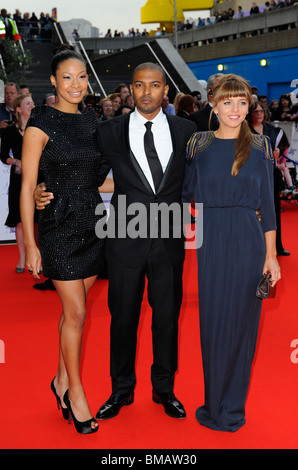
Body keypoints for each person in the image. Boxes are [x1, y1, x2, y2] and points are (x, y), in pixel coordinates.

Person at [34, 62, 197, 421]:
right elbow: (83, 172)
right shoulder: (109, 131)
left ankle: (164, 389)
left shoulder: (187, 129)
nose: (147, 93)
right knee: (122, 317)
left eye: (154, 85)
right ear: (132, 89)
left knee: (166, 318)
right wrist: (40, 189)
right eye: (139, 86)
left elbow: (202, 176)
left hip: (169, 234)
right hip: (124, 236)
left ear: (165, 90)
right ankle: (121, 390)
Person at [20, 44, 113, 435]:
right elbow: (27, 187)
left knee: (73, 313)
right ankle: (76, 393)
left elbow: (101, 178)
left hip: (92, 224)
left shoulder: (94, 122)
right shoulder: (40, 121)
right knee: (75, 313)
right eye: (67, 77)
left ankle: (59, 381)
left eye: (81, 77)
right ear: (54, 81)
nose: (75, 84)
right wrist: (32, 243)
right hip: (58, 225)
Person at [182, 74, 280, 432]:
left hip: (248, 241)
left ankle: (231, 409)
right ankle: (213, 402)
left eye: (242, 103)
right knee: (212, 323)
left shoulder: (260, 147)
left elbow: (269, 208)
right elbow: (183, 193)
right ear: (214, 104)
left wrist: (270, 257)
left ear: (249, 106)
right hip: (210, 242)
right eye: (227, 102)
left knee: (242, 325)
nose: (235, 109)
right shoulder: (198, 144)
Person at [247, 100, 294, 255]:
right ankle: (256, 247)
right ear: (250, 114)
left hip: (271, 175)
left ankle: (277, 246)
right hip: (252, 177)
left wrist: (279, 151)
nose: (258, 114)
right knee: (254, 211)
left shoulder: (272, 129)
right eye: (255, 112)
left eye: (260, 111)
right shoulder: (245, 130)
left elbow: (281, 145)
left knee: (273, 211)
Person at [0, 93, 35, 273]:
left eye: (32, 103)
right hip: (19, 179)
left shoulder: (39, 129)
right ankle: (22, 256)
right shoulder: (10, 131)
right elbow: (3, 156)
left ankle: (38, 257)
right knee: (20, 221)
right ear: (18, 109)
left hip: (40, 178)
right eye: (28, 103)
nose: (32, 105)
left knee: (39, 221)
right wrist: (16, 161)